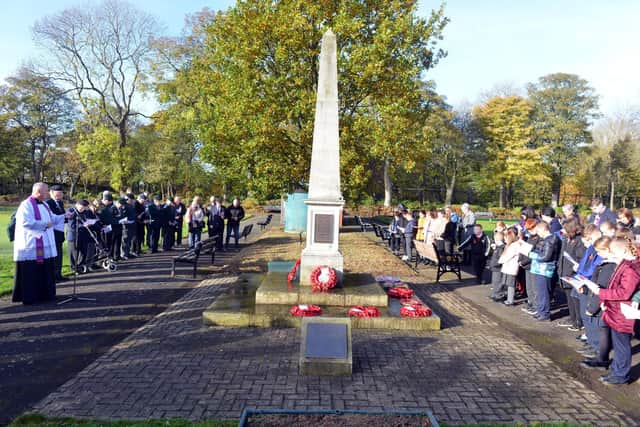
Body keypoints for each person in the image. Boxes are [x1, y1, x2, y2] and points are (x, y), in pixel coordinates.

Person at [589, 237, 640, 384]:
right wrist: (606, 302)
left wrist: (600, 293)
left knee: (622, 346)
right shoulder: (626, 264)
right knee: (618, 345)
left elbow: (624, 293)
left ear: (623, 251)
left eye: (614, 254)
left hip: (622, 313)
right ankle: (618, 370)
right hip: (615, 311)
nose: (613, 257)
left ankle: (621, 375)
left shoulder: (631, 269)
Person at [12, 183, 68, 304]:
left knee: (45, 269)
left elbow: (52, 218)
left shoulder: (45, 204)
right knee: (32, 272)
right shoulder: (26, 205)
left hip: (44, 244)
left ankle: (45, 294)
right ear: (38, 191)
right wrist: (44, 224)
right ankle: (30, 297)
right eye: (46, 191)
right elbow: (25, 222)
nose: (48, 193)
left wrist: (64, 216)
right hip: (31, 245)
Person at [578, 236, 616, 361]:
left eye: (600, 251)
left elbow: (601, 288)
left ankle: (600, 355)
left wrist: (592, 308)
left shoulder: (609, 267)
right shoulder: (605, 264)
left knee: (602, 331)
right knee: (600, 330)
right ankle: (598, 352)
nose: (598, 254)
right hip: (598, 301)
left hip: (601, 306)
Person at [527, 221, 561, 321]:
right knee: (541, 292)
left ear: (543, 229)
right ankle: (541, 310)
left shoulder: (551, 239)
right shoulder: (546, 239)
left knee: (544, 292)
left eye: (538, 231)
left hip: (545, 270)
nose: (537, 233)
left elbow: (545, 256)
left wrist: (531, 254)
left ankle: (545, 313)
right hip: (540, 269)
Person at [557, 218, 586, 331]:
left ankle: (579, 321)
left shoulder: (579, 241)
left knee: (575, 300)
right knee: (569, 299)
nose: (563, 231)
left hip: (573, 274)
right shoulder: (566, 239)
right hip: (564, 272)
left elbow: (580, 257)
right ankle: (573, 318)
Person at [67, 199, 101, 273]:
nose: (83, 209)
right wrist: (83, 225)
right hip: (74, 235)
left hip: (84, 235)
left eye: (85, 208)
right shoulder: (71, 210)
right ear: (77, 205)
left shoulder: (86, 212)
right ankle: (74, 268)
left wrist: (96, 226)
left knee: (83, 252)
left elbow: (92, 220)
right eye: (82, 207)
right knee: (74, 253)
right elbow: (72, 225)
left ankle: (81, 266)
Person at [45, 184, 68, 282]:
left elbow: (62, 217)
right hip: (52, 233)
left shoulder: (60, 203)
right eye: (58, 193)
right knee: (54, 256)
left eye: (61, 193)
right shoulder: (48, 203)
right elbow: (52, 218)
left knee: (59, 255)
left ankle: (58, 274)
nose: (60, 195)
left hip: (59, 233)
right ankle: (53, 276)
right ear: (51, 193)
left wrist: (67, 217)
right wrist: (64, 215)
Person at [519, 218, 541, 316]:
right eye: (529, 230)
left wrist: (523, 262)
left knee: (534, 287)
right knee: (529, 287)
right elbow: (525, 250)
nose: (530, 231)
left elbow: (532, 253)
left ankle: (536, 305)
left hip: (532, 265)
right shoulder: (530, 237)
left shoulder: (538, 239)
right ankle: (531, 303)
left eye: (532, 229)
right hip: (526, 265)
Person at [497, 229, 521, 305]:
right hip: (507, 267)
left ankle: (510, 300)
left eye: (507, 237)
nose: (505, 238)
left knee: (511, 284)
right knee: (506, 282)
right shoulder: (510, 245)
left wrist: (501, 260)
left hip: (511, 267)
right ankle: (505, 296)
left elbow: (507, 256)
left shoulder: (515, 245)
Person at [488, 231, 505, 301]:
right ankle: (494, 293)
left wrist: (495, 264)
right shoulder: (498, 247)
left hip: (498, 268)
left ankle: (497, 295)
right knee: (494, 282)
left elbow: (500, 259)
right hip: (495, 268)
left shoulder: (501, 248)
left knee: (497, 282)